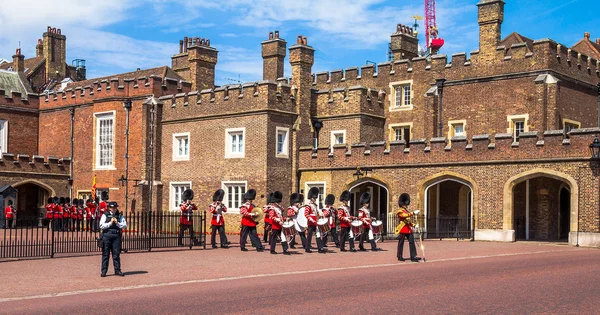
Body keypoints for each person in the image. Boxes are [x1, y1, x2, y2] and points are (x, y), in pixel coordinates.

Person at [99, 201, 127, 277]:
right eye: (112, 208)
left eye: (115, 208)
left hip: (116, 236)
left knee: (116, 254)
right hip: (107, 235)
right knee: (105, 254)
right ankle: (104, 271)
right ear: (109, 208)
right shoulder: (105, 215)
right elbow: (101, 225)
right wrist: (110, 223)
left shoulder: (120, 215)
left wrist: (117, 223)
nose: (114, 209)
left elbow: (124, 226)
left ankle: (117, 270)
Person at [396, 193, 421, 262]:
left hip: (408, 229)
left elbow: (408, 221)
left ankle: (413, 256)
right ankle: (399, 256)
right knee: (401, 243)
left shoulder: (406, 211)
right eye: (405, 204)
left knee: (412, 242)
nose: (406, 206)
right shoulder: (400, 211)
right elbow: (405, 216)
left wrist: (414, 225)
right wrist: (413, 213)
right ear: (402, 204)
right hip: (402, 229)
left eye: (406, 204)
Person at [305, 187, 325, 253]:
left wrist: (320, 214)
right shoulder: (308, 205)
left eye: (315, 198)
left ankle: (320, 248)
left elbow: (316, 213)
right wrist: (311, 220)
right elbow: (306, 214)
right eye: (314, 198)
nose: (315, 199)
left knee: (318, 234)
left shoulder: (315, 205)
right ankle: (307, 248)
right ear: (311, 198)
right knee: (309, 236)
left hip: (316, 222)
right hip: (311, 222)